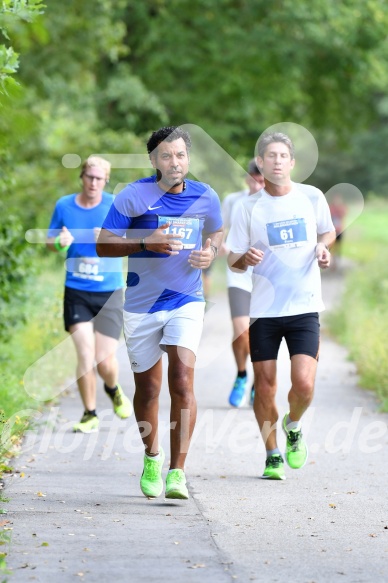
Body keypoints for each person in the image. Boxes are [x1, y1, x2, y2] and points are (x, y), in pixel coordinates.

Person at [96, 126, 223, 500]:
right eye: (166, 156)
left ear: (189, 158)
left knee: (182, 381)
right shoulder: (133, 195)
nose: (174, 162)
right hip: (140, 304)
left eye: (180, 155)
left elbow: (215, 231)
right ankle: (153, 456)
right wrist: (143, 241)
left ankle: (177, 472)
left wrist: (211, 253)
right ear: (153, 160)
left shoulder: (206, 196)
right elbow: (103, 245)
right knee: (148, 389)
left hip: (186, 299)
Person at [227, 132, 336, 480]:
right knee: (266, 385)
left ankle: (294, 424)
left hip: (304, 307)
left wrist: (322, 247)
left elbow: (327, 231)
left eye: (282, 156)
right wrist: (245, 257)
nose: (276, 161)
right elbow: (232, 259)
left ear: (291, 162)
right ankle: (272, 453)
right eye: (269, 156)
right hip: (265, 310)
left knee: (303, 385)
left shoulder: (311, 196)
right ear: (260, 163)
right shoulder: (248, 207)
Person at [47, 156, 133, 433]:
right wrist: (59, 243)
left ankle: (113, 387)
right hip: (77, 290)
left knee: (104, 361)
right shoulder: (64, 205)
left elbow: (132, 242)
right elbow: (50, 241)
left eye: (99, 178)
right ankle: (89, 414)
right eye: (89, 177)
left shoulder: (114, 205)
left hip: (109, 293)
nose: (93, 182)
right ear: (82, 177)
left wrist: (110, 239)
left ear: (105, 180)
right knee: (85, 354)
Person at [221, 159, 265, 408]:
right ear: (247, 177)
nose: (258, 184)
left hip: (265, 277)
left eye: (262, 180)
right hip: (238, 272)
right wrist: (220, 245)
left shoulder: (275, 203)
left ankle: (259, 381)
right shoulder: (233, 201)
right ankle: (241, 375)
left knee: (261, 333)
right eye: (254, 179)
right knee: (241, 331)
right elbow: (220, 229)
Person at [329, 193, 347, 268]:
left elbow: (343, 214)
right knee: (331, 246)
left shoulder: (342, 207)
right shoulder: (330, 207)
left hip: (339, 230)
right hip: (332, 231)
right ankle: (332, 260)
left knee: (338, 246)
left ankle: (337, 260)